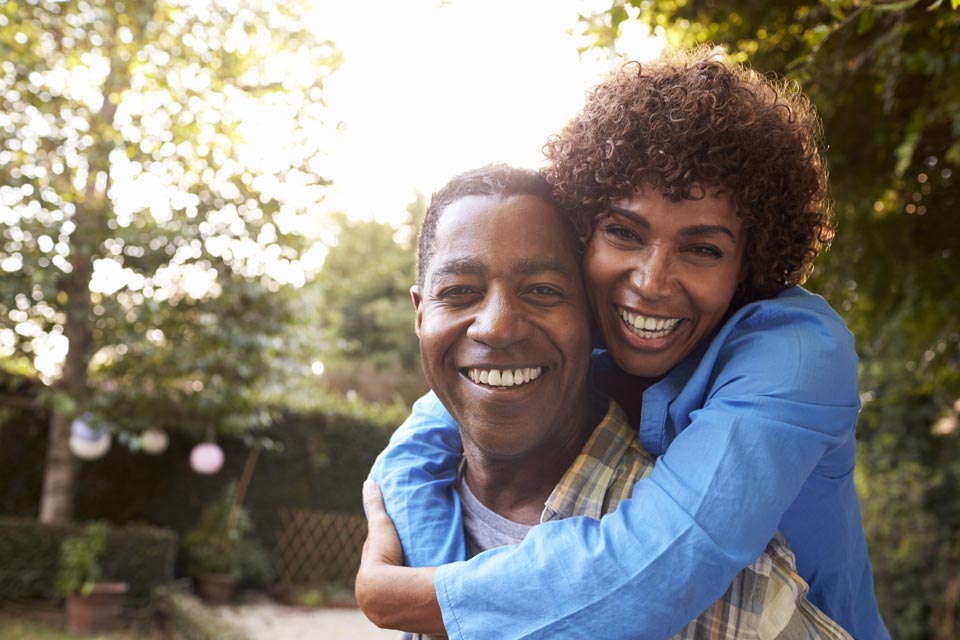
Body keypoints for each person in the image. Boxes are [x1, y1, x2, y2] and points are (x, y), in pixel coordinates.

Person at [358, 46, 889, 639]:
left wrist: (406, 598)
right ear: (586, 233)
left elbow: (656, 569)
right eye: (623, 232)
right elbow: (433, 425)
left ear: (750, 263)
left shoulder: (797, 355)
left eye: (703, 249)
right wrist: (429, 560)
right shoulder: (584, 330)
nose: (651, 282)